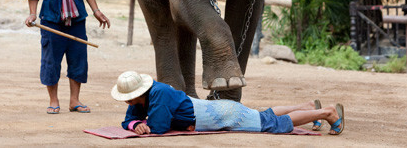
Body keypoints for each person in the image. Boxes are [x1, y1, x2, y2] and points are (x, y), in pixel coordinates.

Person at [111, 71, 344, 135]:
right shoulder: (144, 95)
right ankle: (306, 107)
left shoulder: (158, 95)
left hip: (222, 114)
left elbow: (159, 127)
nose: (127, 103)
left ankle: (326, 113)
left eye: (127, 99)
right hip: (219, 110)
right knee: (262, 115)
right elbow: (129, 120)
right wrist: (134, 125)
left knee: (272, 124)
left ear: (135, 94)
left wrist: (143, 124)